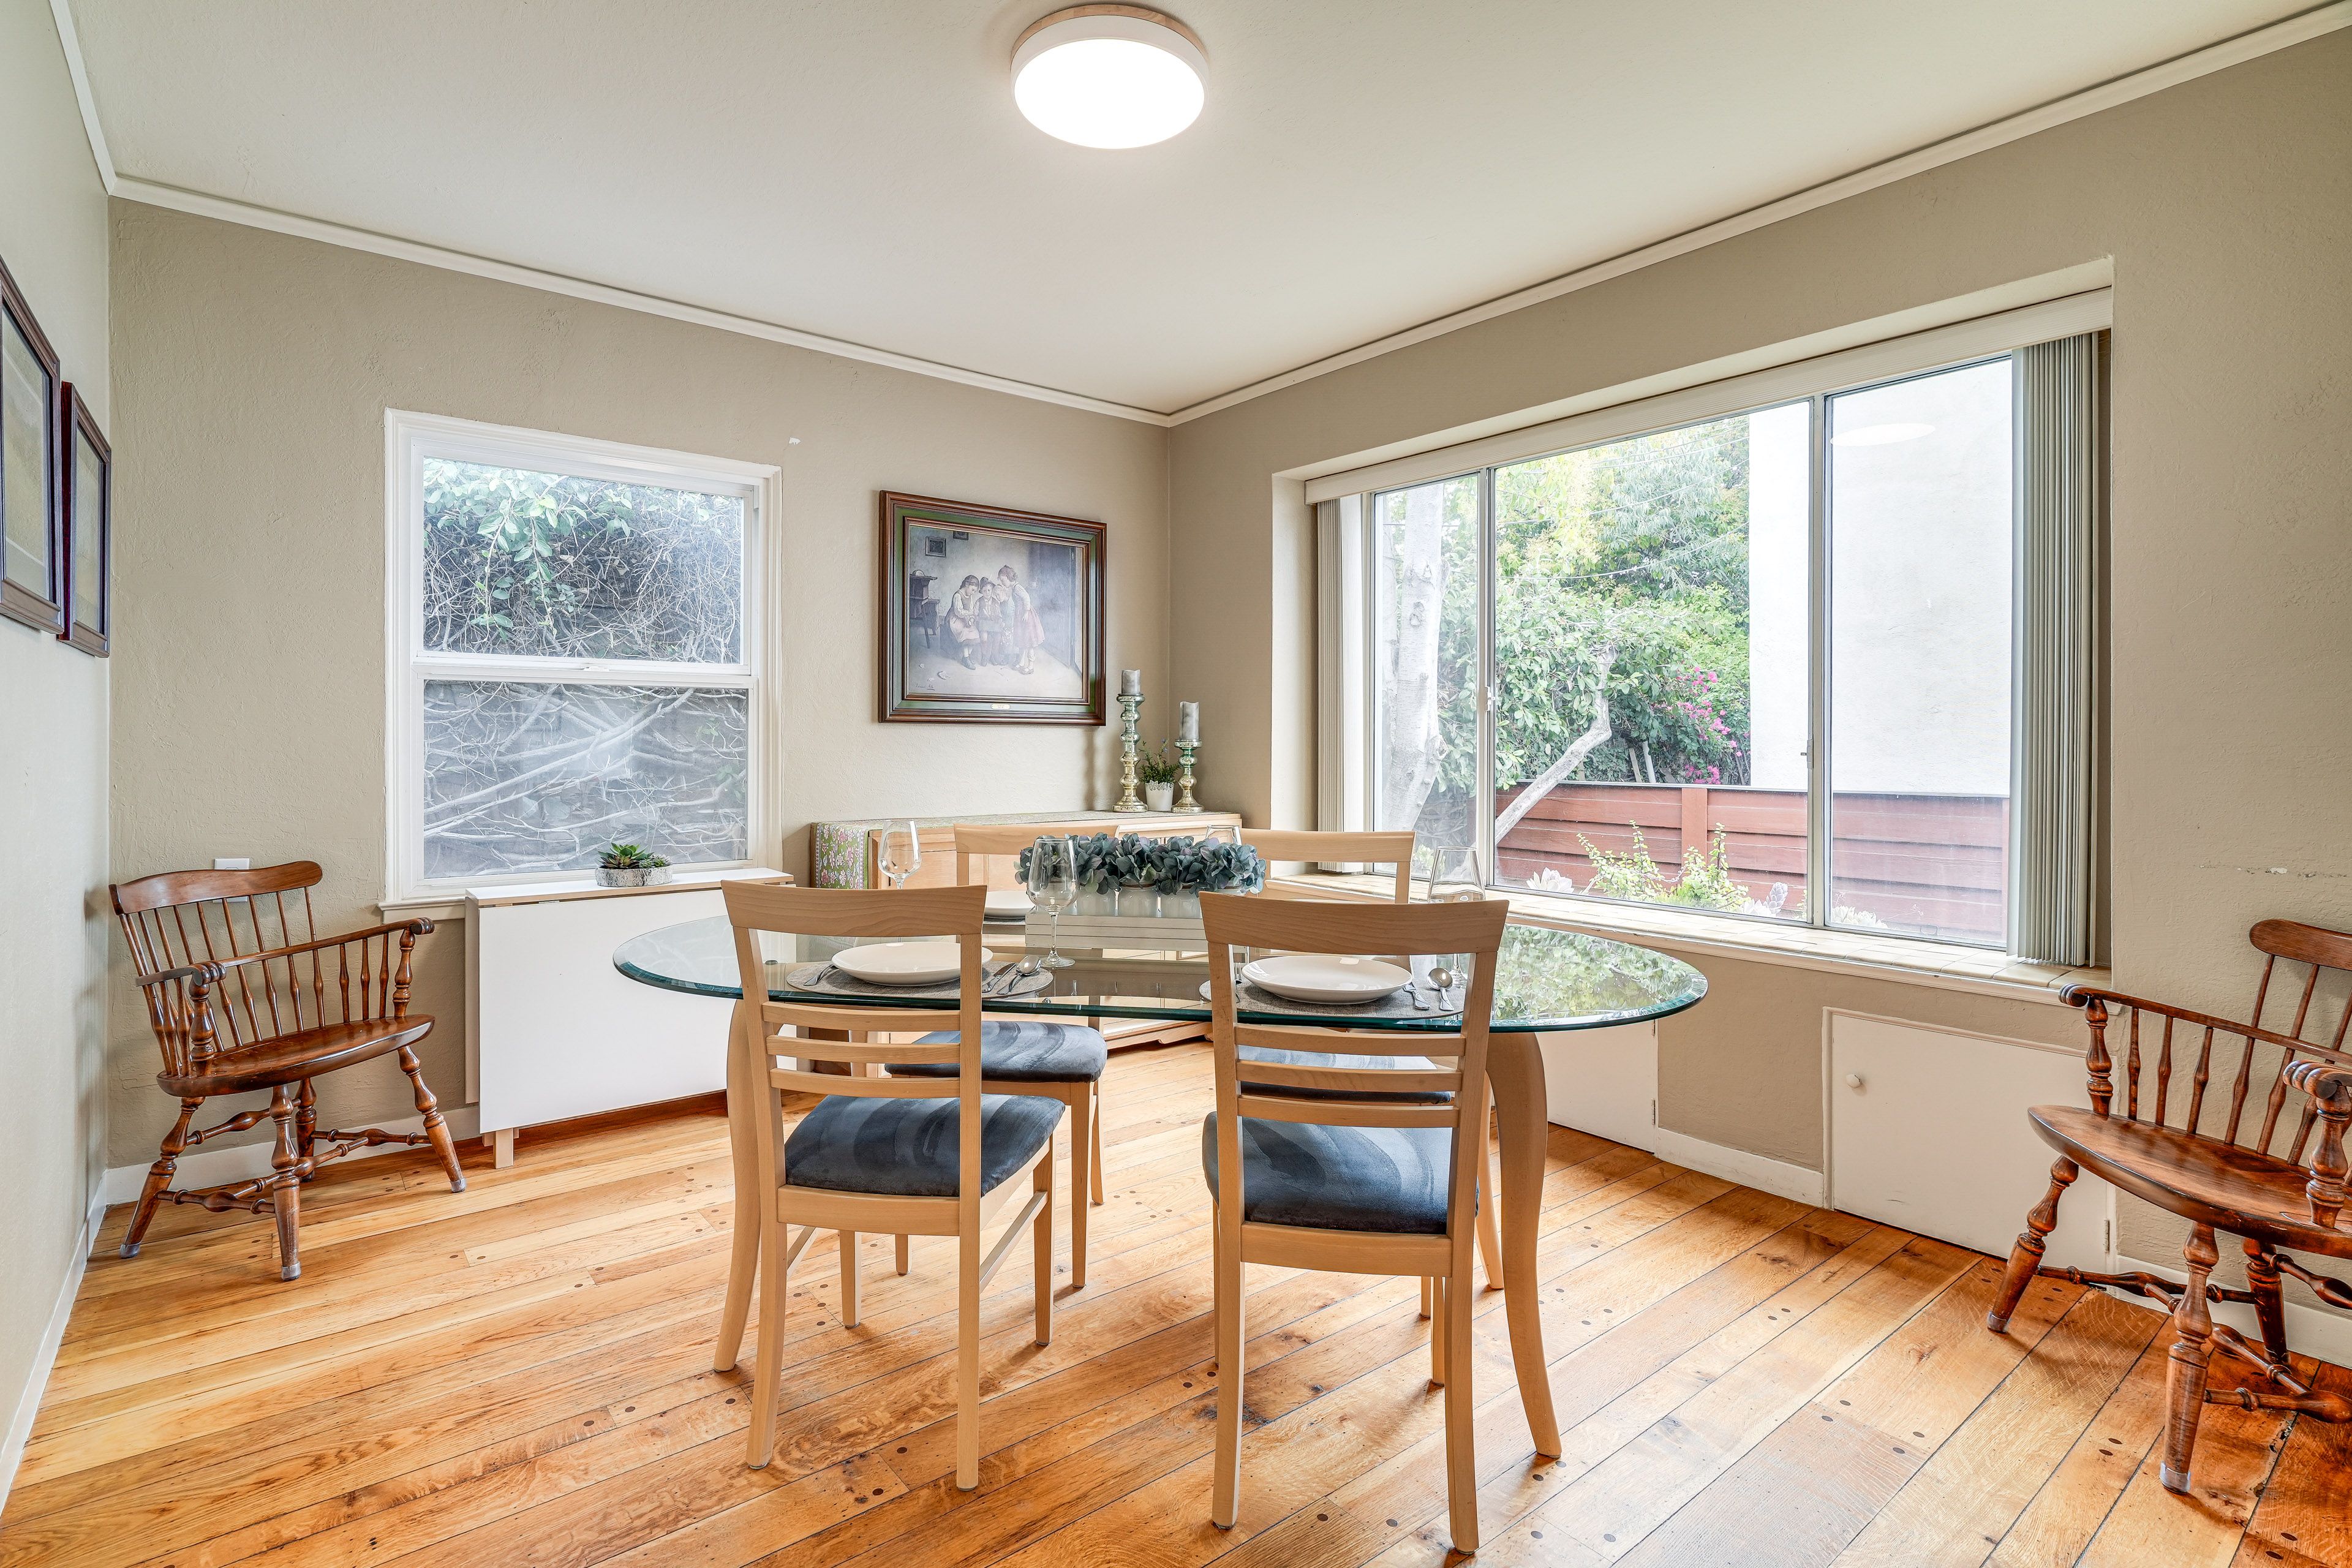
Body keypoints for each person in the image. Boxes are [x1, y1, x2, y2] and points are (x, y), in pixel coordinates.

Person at [997, 565, 1044, 676]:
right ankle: (1021, 662)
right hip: (1020, 615)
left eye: (1003, 580)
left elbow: (1026, 597)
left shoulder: (1018, 587)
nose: (1003, 583)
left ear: (1008, 577)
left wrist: (1027, 611)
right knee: (1022, 640)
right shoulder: (1013, 588)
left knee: (1029, 641)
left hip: (1026, 616)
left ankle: (1030, 666)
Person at [944, 575, 984, 669]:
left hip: (965, 618)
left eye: (975, 591)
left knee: (975, 633)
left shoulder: (969, 596)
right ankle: (966, 659)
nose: (973, 593)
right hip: (955, 619)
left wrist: (971, 618)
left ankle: (967, 656)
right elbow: (959, 612)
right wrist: (970, 613)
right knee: (966, 634)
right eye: (973, 590)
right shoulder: (958, 595)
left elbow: (970, 609)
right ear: (967, 584)